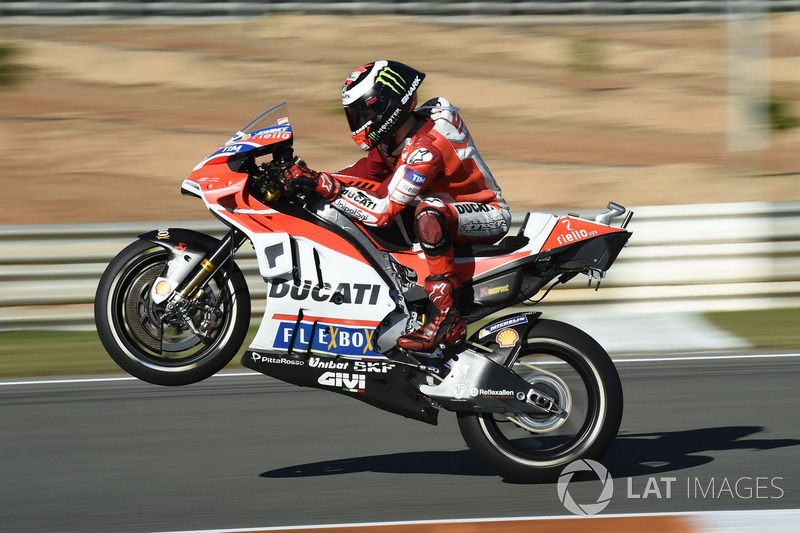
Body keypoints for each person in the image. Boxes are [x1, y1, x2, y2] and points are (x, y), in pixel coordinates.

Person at [283, 60, 510, 352]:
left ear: (387, 106)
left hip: (486, 214)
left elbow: (381, 211)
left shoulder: (426, 147)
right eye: (355, 114)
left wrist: (327, 186)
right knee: (384, 209)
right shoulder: (395, 139)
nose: (360, 120)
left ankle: (446, 317)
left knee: (429, 211)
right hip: (445, 211)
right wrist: (310, 178)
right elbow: (362, 174)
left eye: (364, 111)